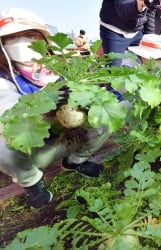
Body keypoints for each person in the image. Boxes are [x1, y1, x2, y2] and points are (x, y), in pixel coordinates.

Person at [0, 8, 110, 208]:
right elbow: (7, 111)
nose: (21, 42)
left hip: (64, 137)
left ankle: (75, 161)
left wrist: (88, 93)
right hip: (31, 150)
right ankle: (33, 183)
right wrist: (48, 106)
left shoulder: (56, 67)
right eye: (12, 37)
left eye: (29, 35)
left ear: (43, 40)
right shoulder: (3, 78)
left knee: (102, 115)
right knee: (2, 144)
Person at [99, 0, 157, 66]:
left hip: (137, 32)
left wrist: (150, 35)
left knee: (149, 65)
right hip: (114, 30)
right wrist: (138, 5)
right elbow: (123, 9)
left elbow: (150, 11)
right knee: (113, 69)